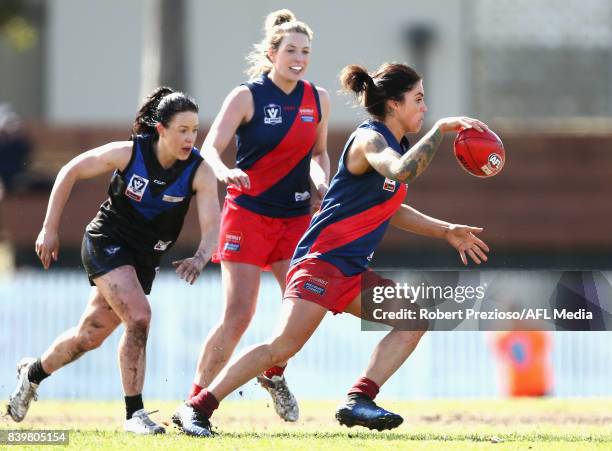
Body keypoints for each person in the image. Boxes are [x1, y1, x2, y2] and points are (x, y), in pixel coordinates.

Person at [172, 62, 491, 436]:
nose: (424, 107)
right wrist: (439, 130)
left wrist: (446, 230)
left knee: (412, 320)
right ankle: (196, 407)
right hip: (322, 263)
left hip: (351, 270)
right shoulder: (369, 140)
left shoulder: (395, 144)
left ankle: (358, 399)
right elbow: (402, 171)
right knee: (280, 348)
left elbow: (392, 205)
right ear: (393, 104)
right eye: (418, 99)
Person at [5, 87, 220, 434]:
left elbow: (213, 228)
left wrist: (200, 256)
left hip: (143, 258)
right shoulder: (129, 152)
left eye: (194, 130)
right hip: (107, 242)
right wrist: (49, 228)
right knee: (139, 317)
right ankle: (134, 415)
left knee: (88, 336)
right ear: (161, 129)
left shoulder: (199, 171)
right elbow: (70, 170)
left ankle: (32, 374)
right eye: (182, 130)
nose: (190, 138)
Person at [178, 9, 330, 424]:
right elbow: (209, 147)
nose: (298, 58)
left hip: (297, 218)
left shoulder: (317, 99)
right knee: (238, 315)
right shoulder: (246, 96)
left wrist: (321, 181)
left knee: (303, 309)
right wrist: (225, 170)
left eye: (305, 51)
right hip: (248, 216)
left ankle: (274, 373)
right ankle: (193, 403)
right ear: (272, 52)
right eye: (291, 50)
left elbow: (318, 153)